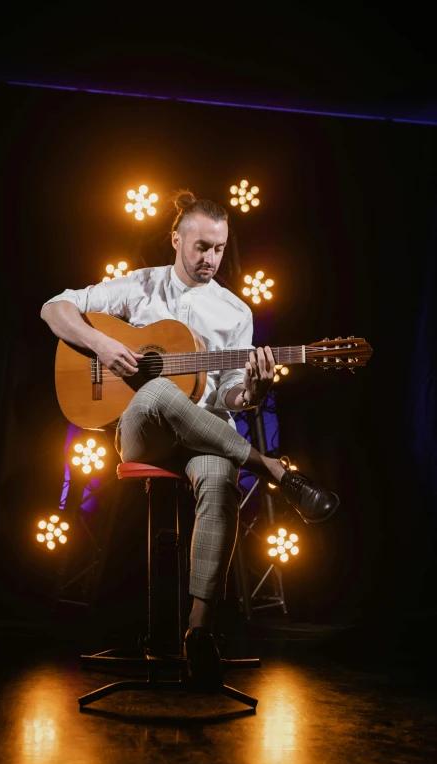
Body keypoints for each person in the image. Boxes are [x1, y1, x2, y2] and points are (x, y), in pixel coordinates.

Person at [40, 189, 339, 692]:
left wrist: (255, 387)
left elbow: (231, 396)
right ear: (176, 239)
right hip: (143, 433)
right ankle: (272, 468)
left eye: (220, 248)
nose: (211, 259)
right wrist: (103, 343)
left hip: (206, 440)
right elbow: (54, 308)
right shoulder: (140, 287)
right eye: (201, 247)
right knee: (157, 387)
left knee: (221, 477)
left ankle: (199, 633)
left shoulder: (234, 312)